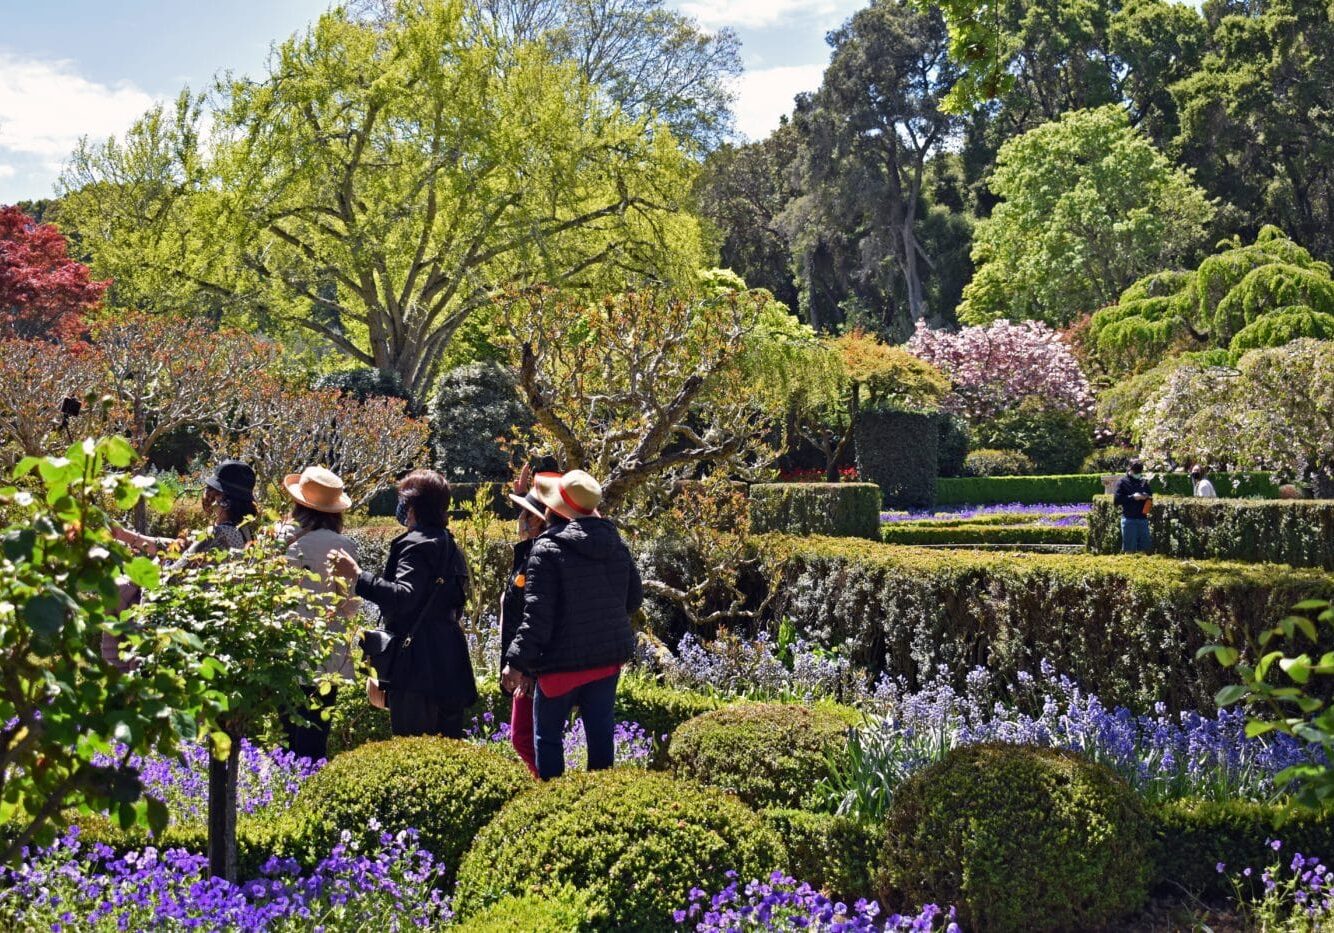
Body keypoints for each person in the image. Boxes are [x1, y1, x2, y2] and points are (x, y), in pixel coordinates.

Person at [501, 470, 642, 780]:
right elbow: (633, 601)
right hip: (606, 661)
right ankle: (600, 807)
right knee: (601, 740)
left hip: (559, 665)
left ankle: (555, 808)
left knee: (547, 742)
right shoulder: (616, 544)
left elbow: (537, 616)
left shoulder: (547, 549)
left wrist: (516, 662)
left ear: (555, 509)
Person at [329, 469, 476, 738]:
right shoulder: (449, 544)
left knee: (413, 746)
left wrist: (358, 576)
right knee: (447, 754)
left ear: (412, 505)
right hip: (450, 661)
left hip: (417, 665)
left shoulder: (415, 544)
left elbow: (403, 596)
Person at [277, 466, 360, 761]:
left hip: (289, 647)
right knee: (316, 732)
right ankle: (308, 789)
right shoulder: (345, 545)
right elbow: (351, 603)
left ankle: (283, 792)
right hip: (329, 651)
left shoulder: (284, 540)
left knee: (286, 734)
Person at [499, 462, 557, 776]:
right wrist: (522, 497)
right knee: (528, 738)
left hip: (533, 666)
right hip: (528, 663)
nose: (521, 520)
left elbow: (536, 613)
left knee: (525, 738)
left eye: (526, 515)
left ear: (539, 520)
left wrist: (522, 665)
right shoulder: (533, 550)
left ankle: (549, 790)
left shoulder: (542, 556)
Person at [114, 459, 259, 560]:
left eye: (211, 489)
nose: (206, 494)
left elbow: (175, 569)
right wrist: (123, 534)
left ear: (225, 500)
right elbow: (177, 547)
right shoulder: (244, 530)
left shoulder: (220, 534)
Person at [1113, 459, 1153, 554]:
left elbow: (1151, 497)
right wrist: (1133, 497)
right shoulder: (1122, 482)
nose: (1138, 474)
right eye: (1136, 472)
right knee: (1129, 550)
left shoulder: (1143, 482)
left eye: (1139, 472)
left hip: (1143, 519)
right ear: (1129, 469)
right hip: (1129, 519)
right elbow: (1117, 500)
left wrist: (1146, 497)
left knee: (1145, 549)